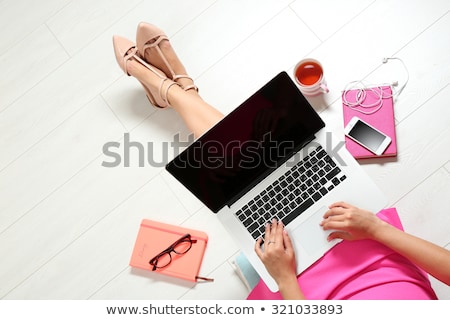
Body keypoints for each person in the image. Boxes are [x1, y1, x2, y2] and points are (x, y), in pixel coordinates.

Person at [113, 23, 450, 300]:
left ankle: (171, 90)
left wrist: (285, 278)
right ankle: (175, 90)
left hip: (303, 292)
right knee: (281, 154)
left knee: (250, 162)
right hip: (375, 248)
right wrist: (375, 228)